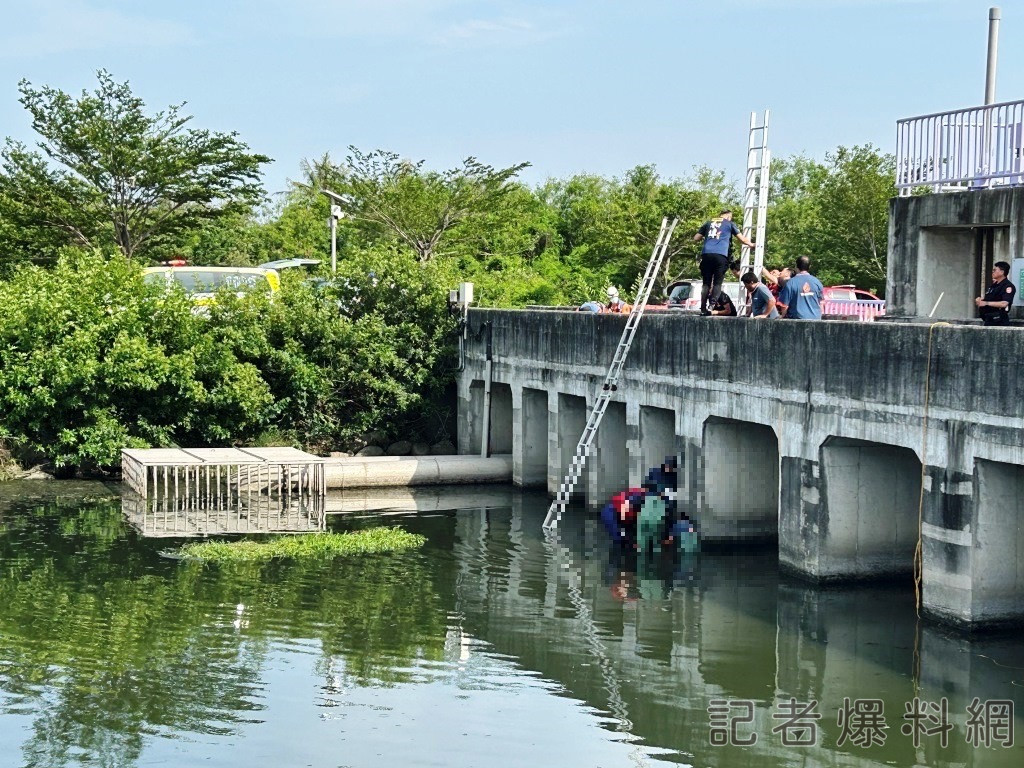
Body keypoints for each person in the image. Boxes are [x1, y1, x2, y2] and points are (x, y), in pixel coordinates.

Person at [693, 210, 756, 316]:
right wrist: (751, 245)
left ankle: (703, 306)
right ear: (728, 216)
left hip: (706, 254)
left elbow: (696, 238)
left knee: (706, 283)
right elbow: (742, 239)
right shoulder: (729, 224)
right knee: (717, 282)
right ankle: (712, 305)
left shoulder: (708, 223)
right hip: (721, 255)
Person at [975, 261, 1016, 326]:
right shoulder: (994, 285)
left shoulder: (1008, 286)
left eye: (995, 270)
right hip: (988, 319)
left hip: (998, 320)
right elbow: (990, 298)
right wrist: (981, 300)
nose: (992, 272)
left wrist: (986, 303)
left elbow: (1004, 303)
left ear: (1002, 272)